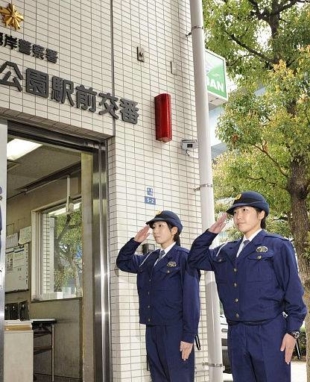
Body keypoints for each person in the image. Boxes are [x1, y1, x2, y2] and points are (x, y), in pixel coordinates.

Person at [188, 191, 307, 382]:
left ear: (261, 214)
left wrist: (292, 331)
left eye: (245, 210)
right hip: (237, 332)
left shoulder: (277, 246)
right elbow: (195, 259)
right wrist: (210, 234)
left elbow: (293, 292)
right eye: (235, 212)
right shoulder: (226, 250)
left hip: (269, 331)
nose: (239, 216)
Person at [116, 210, 200, 382]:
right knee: (158, 377)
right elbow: (123, 262)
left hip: (175, 330)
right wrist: (134, 242)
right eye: (154, 227)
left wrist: (188, 336)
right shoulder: (149, 258)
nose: (155, 230)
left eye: (161, 226)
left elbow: (192, 300)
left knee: (179, 377)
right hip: (152, 327)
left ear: (174, 230)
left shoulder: (184, 258)